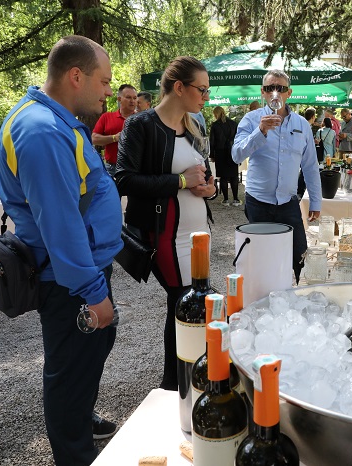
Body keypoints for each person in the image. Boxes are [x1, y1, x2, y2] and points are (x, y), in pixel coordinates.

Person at [0, 35, 122, 466]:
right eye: (104, 81)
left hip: (79, 271)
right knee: (69, 370)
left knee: (87, 355)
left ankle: (79, 419)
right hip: (68, 280)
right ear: (76, 76)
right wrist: (93, 291)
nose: (108, 91)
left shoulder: (53, 120)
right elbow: (60, 223)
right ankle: (75, 453)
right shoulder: (42, 131)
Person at [115, 56, 216, 390]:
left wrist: (210, 189)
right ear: (179, 87)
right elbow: (124, 180)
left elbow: (204, 174)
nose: (206, 97)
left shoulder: (195, 125)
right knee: (184, 301)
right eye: (202, 89)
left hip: (198, 234)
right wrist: (181, 182)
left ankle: (189, 379)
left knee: (191, 302)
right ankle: (175, 384)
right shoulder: (141, 125)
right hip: (165, 235)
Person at [232, 69, 322, 282]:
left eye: (280, 88)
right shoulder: (251, 119)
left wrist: (315, 201)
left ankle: (302, 296)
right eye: (270, 88)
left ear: (288, 93)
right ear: (263, 92)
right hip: (258, 202)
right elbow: (236, 155)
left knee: (300, 256)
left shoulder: (302, 124)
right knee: (261, 259)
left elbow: (310, 165)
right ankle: (263, 297)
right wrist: (260, 131)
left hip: (288, 202)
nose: (275, 92)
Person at [92, 83, 137, 176]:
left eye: (135, 98)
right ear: (119, 99)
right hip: (112, 169)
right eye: (128, 97)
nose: (132, 101)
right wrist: (114, 138)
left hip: (135, 168)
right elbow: (94, 139)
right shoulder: (106, 117)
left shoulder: (141, 119)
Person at [211, 106, 240, 206]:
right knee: (234, 176)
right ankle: (236, 199)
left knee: (223, 177)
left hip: (220, 153)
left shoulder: (215, 125)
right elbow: (238, 139)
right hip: (232, 152)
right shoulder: (233, 123)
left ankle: (226, 200)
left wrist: (212, 155)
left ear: (216, 114)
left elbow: (212, 142)